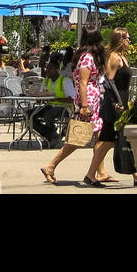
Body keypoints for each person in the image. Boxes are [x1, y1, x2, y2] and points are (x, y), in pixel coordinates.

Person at [41, 26, 107, 186]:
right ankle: (51, 166)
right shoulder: (87, 58)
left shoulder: (87, 56)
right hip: (88, 101)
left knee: (98, 136)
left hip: (92, 100)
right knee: (79, 138)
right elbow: (83, 83)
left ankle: (101, 172)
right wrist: (84, 106)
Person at [88, 28, 137, 186]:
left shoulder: (123, 57)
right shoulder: (115, 58)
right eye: (128, 38)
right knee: (111, 141)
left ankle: (90, 175)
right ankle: (91, 175)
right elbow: (108, 82)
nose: (130, 41)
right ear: (121, 40)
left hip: (121, 104)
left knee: (110, 141)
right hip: (114, 105)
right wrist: (117, 103)